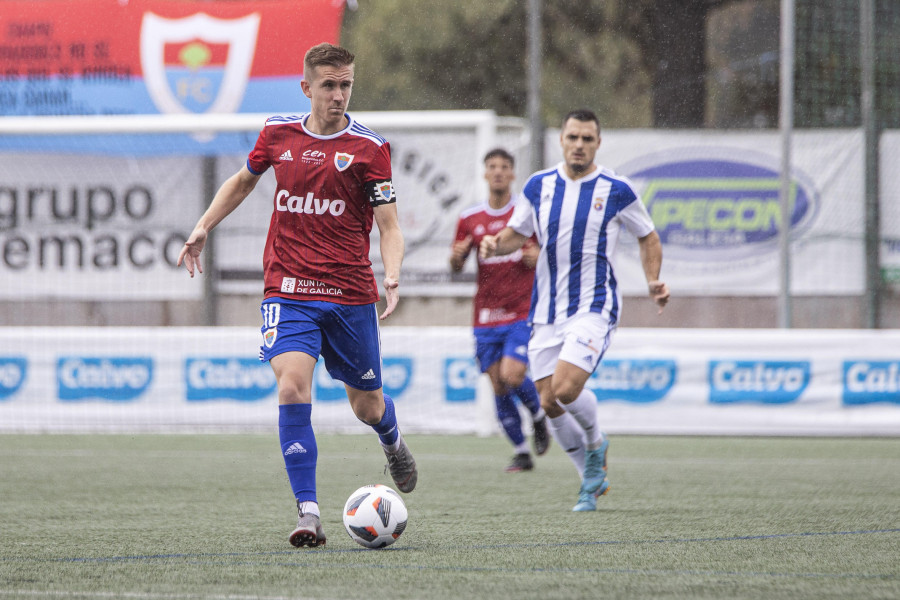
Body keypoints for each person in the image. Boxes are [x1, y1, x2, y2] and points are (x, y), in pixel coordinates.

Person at [177, 43, 417, 547]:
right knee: (291, 387)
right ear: (306, 88)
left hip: (350, 292)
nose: (338, 94)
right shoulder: (277, 134)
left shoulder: (370, 148)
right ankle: (309, 513)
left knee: (367, 406)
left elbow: (389, 226)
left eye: (345, 84)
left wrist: (391, 275)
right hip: (287, 287)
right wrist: (202, 226)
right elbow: (243, 182)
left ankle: (391, 439)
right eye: (328, 85)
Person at [479, 109, 669, 512]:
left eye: (587, 139)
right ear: (561, 141)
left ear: (598, 143)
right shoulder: (539, 185)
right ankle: (590, 480)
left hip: (594, 306)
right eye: (573, 138)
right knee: (548, 403)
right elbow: (518, 234)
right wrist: (497, 243)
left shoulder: (616, 188)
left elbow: (648, 236)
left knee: (565, 389)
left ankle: (596, 442)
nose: (579, 145)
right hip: (546, 311)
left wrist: (653, 279)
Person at [449, 148, 550, 473]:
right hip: (485, 315)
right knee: (497, 384)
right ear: (484, 173)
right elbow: (455, 265)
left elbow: (543, 254)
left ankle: (537, 416)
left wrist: (537, 258)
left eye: (504, 167)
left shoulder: (525, 214)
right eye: (492, 166)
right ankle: (521, 451)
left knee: (512, 374)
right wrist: (458, 256)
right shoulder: (469, 218)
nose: (497, 172)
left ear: (512, 174)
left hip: (521, 310)